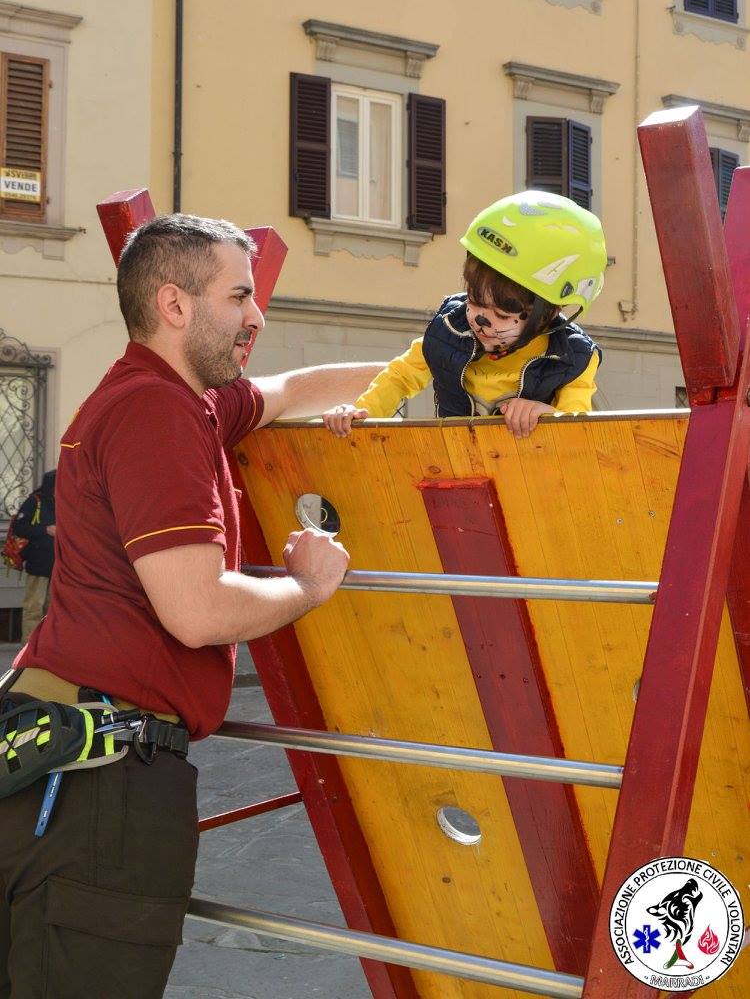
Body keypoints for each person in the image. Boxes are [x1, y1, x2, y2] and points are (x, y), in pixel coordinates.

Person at [0, 214, 385, 998]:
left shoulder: (182, 402)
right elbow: (198, 610)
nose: (256, 315)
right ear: (174, 305)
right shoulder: (156, 413)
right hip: (99, 786)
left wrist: (438, 372)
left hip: (67, 763)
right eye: (238, 295)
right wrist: (308, 585)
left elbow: (289, 392)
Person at [323, 191, 607, 439]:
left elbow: (576, 425)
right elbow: (401, 375)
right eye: (474, 301)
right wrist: (361, 411)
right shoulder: (450, 327)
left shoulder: (572, 357)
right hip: (458, 463)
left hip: (525, 473)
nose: (481, 320)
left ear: (545, 316)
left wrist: (546, 414)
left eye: (501, 314)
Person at [13, 469, 56, 642]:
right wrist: (44, 530)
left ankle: (46, 647)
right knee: (33, 608)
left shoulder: (64, 502)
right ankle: (29, 647)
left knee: (52, 610)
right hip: (38, 565)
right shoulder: (35, 501)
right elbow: (19, 527)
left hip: (57, 567)